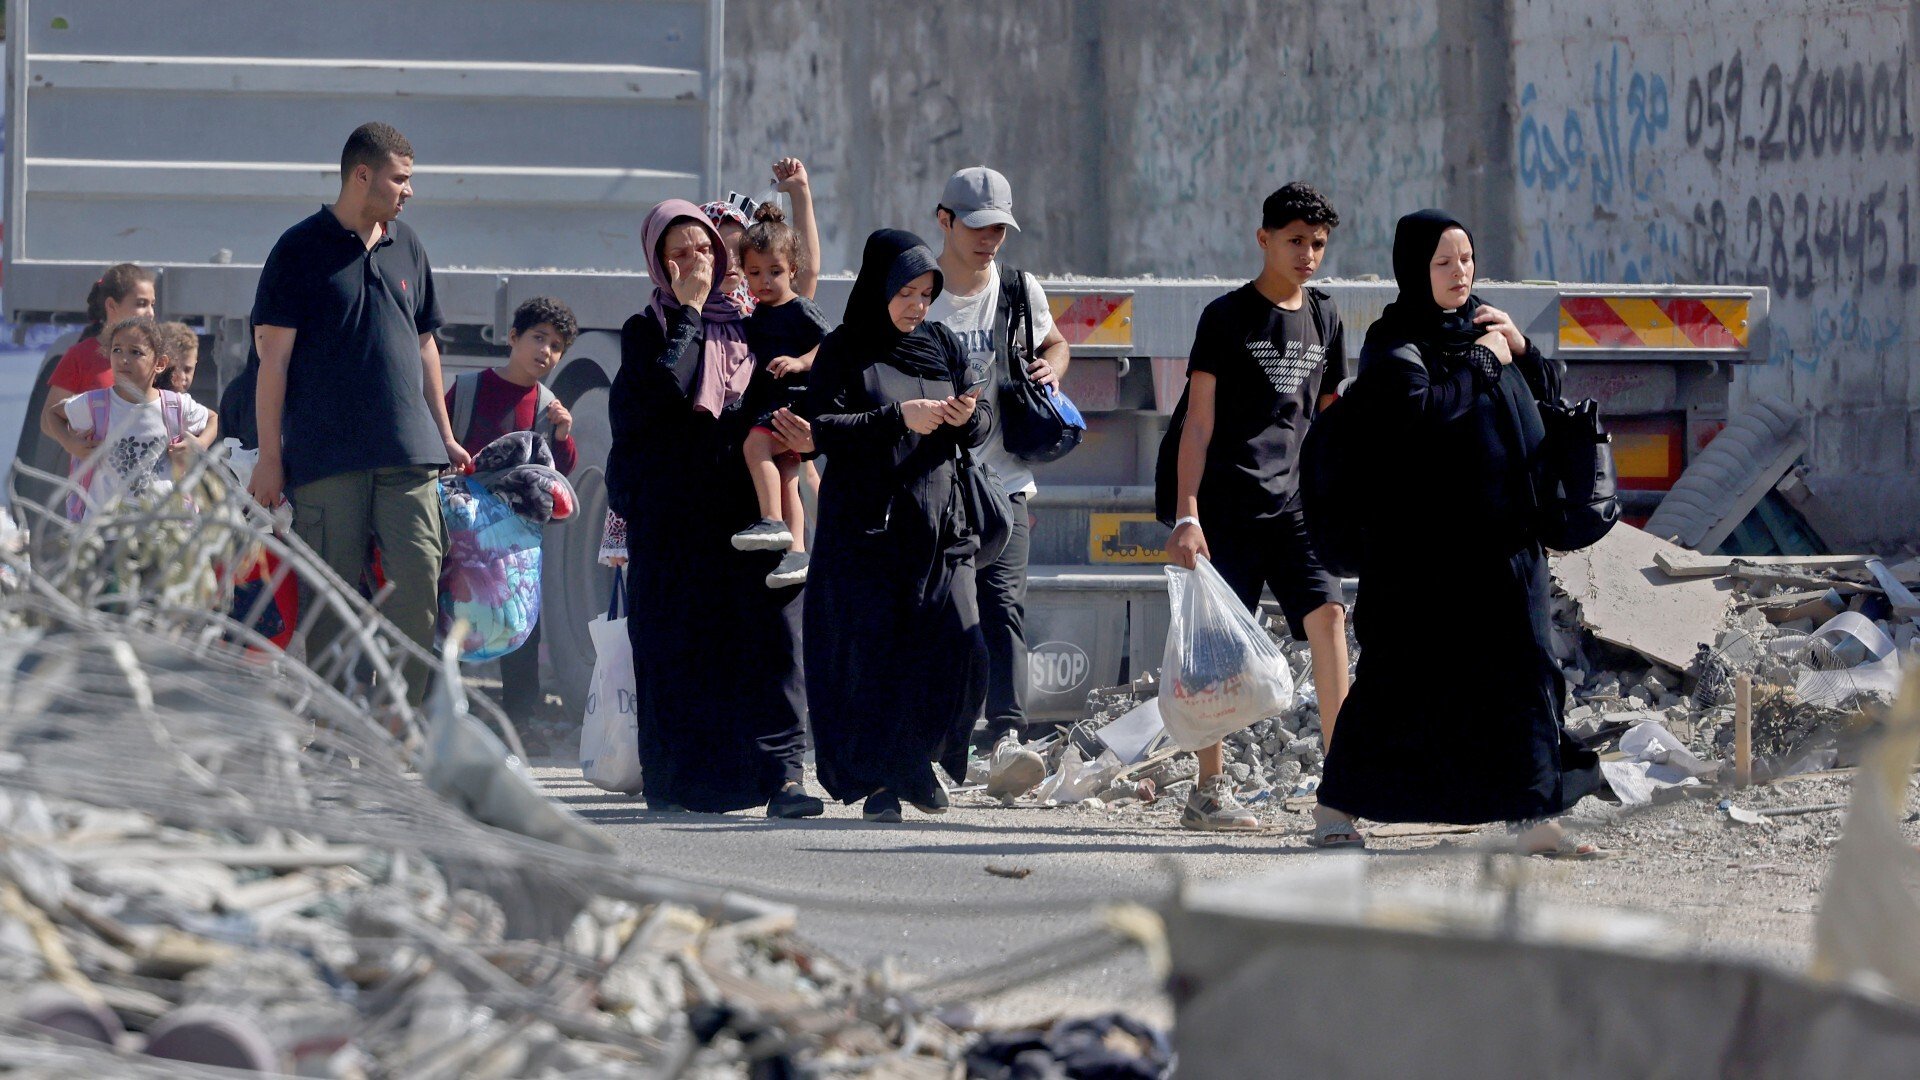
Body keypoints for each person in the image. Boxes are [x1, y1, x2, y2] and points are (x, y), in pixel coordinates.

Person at [1312, 209, 1609, 853]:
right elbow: (1424, 417)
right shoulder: (1395, 345)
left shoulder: (1485, 326)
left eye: (1467, 260)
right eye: (1443, 263)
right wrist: (1482, 360)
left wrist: (1522, 350)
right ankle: (1336, 810)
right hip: (1424, 555)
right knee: (1400, 678)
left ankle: (1534, 817)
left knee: (1527, 670)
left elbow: (1546, 394)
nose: (1460, 273)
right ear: (1414, 269)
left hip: (1505, 545)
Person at [604, 198, 824, 819]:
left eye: (705, 249)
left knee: (774, 641)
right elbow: (667, 388)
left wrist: (807, 436)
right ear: (658, 263)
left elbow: (804, 372)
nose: (698, 260)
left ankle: (784, 777)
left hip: (750, 510)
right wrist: (692, 311)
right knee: (681, 646)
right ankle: (680, 780)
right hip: (674, 519)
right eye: (681, 253)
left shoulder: (756, 323)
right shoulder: (647, 328)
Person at [245, 122, 470, 707]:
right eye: (401, 179)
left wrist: (444, 435)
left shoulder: (409, 245)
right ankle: (336, 732)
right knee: (332, 604)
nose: (409, 192)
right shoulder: (298, 250)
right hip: (326, 459)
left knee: (418, 589)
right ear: (361, 175)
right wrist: (271, 459)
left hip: (410, 454)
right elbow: (273, 362)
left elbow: (425, 344)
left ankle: (398, 727)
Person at [1162, 182, 1353, 832]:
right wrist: (1188, 513)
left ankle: (1344, 785)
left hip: (1298, 506)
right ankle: (1208, 791)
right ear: (1263, 239)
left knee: (1329, 618)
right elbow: (1197, 424)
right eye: (1295, 240)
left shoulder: (1327, 317)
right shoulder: (1226, 318)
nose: (1307, 254)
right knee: (1215, 653)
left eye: (1318, 244)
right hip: (1227, 506)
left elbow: (1329, 415)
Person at [801, 228, 991, 823]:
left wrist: (965, 417)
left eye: (926, 293)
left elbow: (981, 419)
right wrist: (896, 417)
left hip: (942, 524)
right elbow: (821, 429)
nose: (917, 306)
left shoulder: (940, 344)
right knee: (876, 659)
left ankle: (919, 757)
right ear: (877, 287)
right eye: (905, 292)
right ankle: (884, 782)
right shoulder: (844, 348)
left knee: (963, 650)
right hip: (870, 529)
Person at [926, 166, 1071, 799]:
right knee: (939, 613)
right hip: (934, 482)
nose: (991, 240)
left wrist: (1051, 368)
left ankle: (1008, 734)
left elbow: (1058, 341)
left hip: (1005, 476)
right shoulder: (919, 290)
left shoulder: (1017, 288)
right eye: (979, 227)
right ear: (946, 221)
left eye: (1000, 229)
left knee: (1003, 604)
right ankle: (938, 738)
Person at [445, 296, 579, 721]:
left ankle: (522, 722)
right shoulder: (468, 388)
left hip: (514, 534)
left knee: (519, 618)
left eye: (556, 346)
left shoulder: (547, 405)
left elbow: (559, 473)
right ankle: (435, 714)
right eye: (538, 339)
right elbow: (440, 439)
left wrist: (562, 435)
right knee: (446, 610)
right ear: (513, 337)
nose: (546, 351)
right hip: (461, 528)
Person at [730, 201, 830, 587]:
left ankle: (771, 520)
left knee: (756, 448)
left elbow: (831, 345)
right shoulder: (758, 315)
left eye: (775, 272)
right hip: (774, 403)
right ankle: (796, 554)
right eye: (754, 273)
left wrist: (802, 361)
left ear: (793, 270)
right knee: (788, 472)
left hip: (793, 404)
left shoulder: (799, 308)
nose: (765, 281)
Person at [46, 317, 210, 517]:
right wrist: (69, 443)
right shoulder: (96, 403)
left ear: (160, 363)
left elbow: (213, 418)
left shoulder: (174, 405)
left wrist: (200, 444)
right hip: (105, 531)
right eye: (117, 350)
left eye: (135, 352)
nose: (124, 359)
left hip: (162, 531)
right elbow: (53, 414)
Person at [41, 264, 157, 461]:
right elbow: (47, 420)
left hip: (147, 479)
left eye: (152, 304)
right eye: (141, 303)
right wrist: (72, 443)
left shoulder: (157, 356)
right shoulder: (81, 355)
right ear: (112, 306)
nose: (150, 313)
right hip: (95, 482)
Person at [156, 323, 221, 450]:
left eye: (187, 369)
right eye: (172, 368)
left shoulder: (182, 403)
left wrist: (201, 443)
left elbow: (213, 419)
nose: (181, 376)